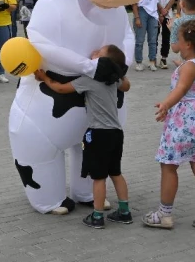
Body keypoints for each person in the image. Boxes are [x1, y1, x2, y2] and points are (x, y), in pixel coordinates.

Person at [34, 45, 132, 229]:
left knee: (99, 177)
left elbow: (61, 89)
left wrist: (44, 77)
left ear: (102, 63)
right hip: (116, 133)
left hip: (99, 134)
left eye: (98, 54)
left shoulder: (90, 80)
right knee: (116, 173)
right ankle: (125, 211)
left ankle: (97, 216)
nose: (94, 52)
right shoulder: (113, 79)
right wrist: (118, 72)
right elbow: (126, 85)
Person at [143, 19, 195, 232]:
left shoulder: (189, 67)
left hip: (184, 122)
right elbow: (191, 79)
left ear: (188, 45)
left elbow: (182, 88)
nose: (176, 42)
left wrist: (166, 104)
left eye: (179, 39)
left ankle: (164, 214)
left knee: (169, 166)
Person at [132, 0, 161, 72]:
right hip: (141, 11)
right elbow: (133, 2)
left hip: (153, 13)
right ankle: (139, 62)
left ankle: (152, 61)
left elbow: (155, 0)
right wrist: (137, 17)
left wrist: (158, 15)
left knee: (153, 40)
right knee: (140, 40)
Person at [147, 0, 177, 69]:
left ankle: (163, 58)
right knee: (153, 36)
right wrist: (160, 10)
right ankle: (152, 58)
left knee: (166, 37)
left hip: (167, 13)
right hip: (154, 12)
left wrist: (165, 11)